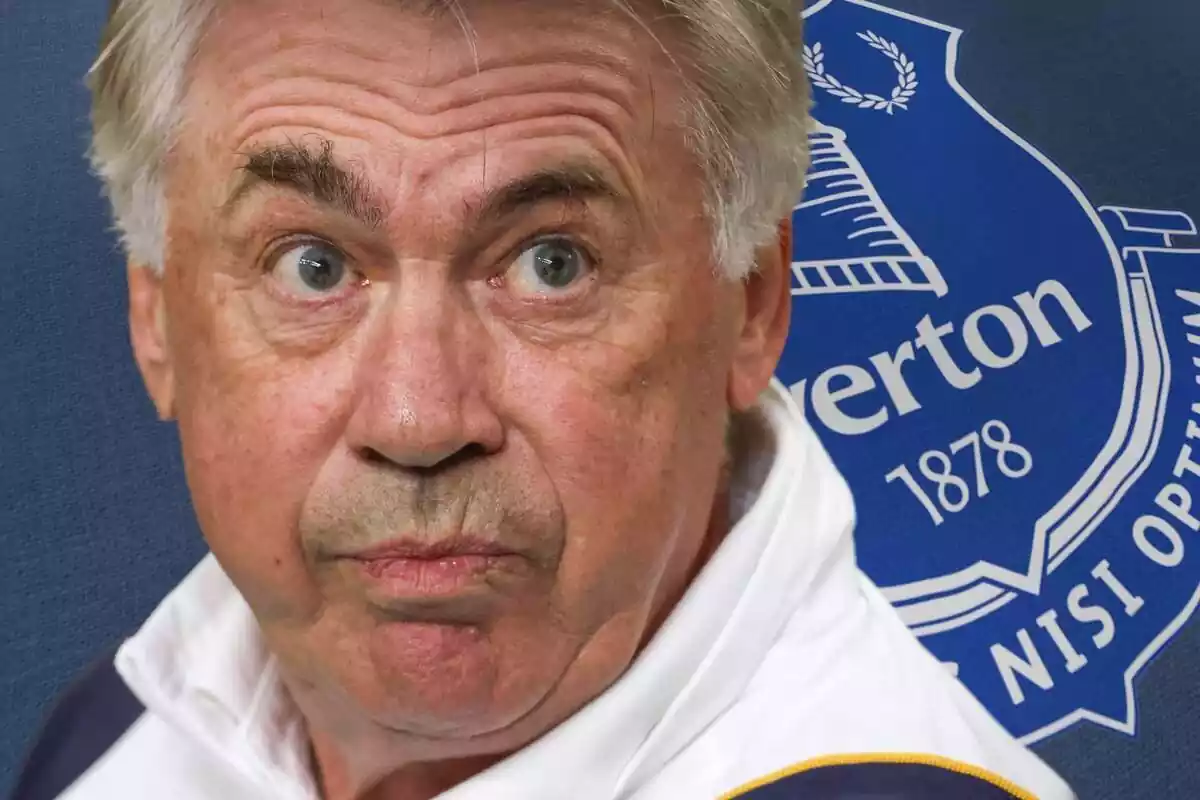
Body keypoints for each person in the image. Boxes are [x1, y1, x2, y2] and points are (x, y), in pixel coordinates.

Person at [13, 1, 1075, 798]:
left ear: (751, 306)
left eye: (552, 264)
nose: (420, 419)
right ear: (156, 322)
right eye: (312, 268)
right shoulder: (117, 735)